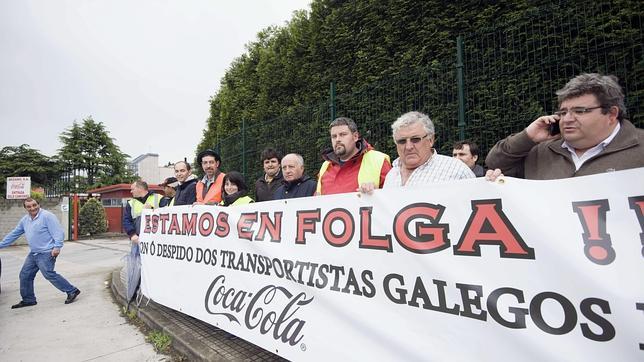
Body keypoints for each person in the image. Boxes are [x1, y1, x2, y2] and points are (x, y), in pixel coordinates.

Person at [485, 73, 644, 180]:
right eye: (562, 112)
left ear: (611, 114)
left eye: (579, 111)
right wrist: (527, 137)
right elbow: (495, 163)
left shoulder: (639, 148)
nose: (567, 119)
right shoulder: (542, 151)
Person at [0, 198, 81, 308]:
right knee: (25, 275)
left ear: (39, 204)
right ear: (25, 208)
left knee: (48, 274)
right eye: (29, 206)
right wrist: (1, 245)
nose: (32, 208)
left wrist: (57, 247)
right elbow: (14, 234)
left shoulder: (47, 216)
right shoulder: (25, 220)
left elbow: (58, 232)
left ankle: (72, 290)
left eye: (34, 205)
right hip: (34, 253)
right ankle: (28, 299)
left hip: (47, 252)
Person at [383, 111, 475, 187]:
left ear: (430, 140)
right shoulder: (391, 175)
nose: (408, 147)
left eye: (415, 139)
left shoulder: (456, 170)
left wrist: (489, 183)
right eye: (402, 141)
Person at [317, 117, 392, 195]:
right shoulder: (325, 166)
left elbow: (393, 196)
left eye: (343, 134)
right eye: (334, 136)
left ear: (355, 136)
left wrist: (376, 193)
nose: (337, 139)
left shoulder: (378, 160)